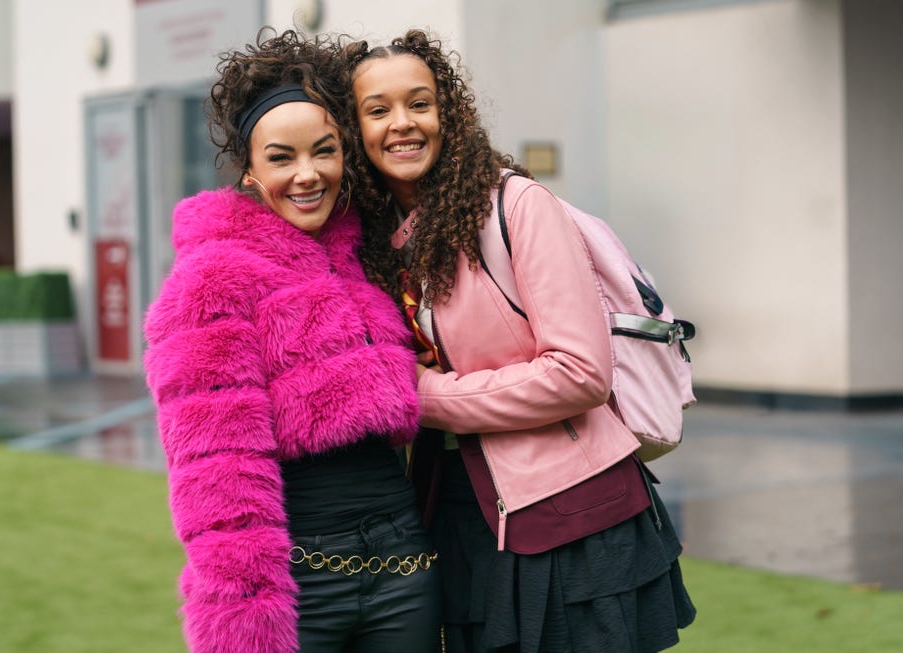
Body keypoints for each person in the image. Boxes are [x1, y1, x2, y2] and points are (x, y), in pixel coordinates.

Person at [342, 29, 696, 653]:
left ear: (446, 111)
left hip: (576, 517)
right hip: (458, 514)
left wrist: (418, 396)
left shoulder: (516, 205)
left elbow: (581, 372)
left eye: (420, 103)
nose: (403, 124)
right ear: (355, 130)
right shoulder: (371, 241)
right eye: (378, 110)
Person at [144, 29, 441, 653]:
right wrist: (245, 617)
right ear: (250, 170)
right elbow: (217, 474)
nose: (307, 175)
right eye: (282, 157)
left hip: (405, 569)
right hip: (302, 585)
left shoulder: (366, 253)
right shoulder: (211, 279)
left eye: (324, 151)